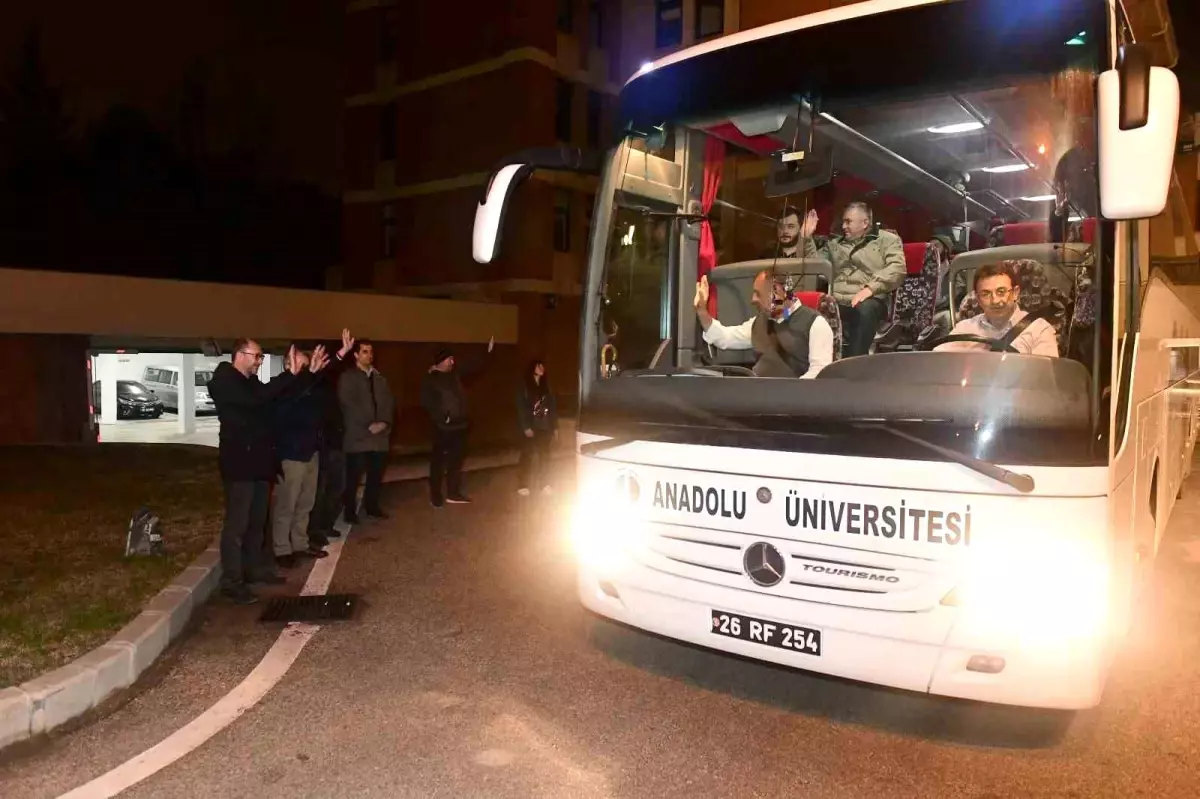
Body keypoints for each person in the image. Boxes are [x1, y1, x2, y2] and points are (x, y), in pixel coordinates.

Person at [208, 339, 330, 605]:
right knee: (237, 526)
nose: (259, 361)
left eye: (261, 357)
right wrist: (290, 374)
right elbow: (258, 399)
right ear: (239, 354)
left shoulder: (250, 382)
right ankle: (232, 581)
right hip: (239, 463)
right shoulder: (225, 380)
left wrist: (307, 374)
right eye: (257, 356)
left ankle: (254, 570)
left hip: (260, 462)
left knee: (256, 522)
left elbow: (279, 396)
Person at [271, 334, 354, 568]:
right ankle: (281, 549)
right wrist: (305, 375)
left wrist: (341, 354)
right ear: (288, 364)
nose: (307, 367)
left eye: (306, 364)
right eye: (300, 363)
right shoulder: (282, 387)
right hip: (291, 455)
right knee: (287, 505)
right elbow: (287, 407)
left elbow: (325, 373)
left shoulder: (310, 384)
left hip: (311, 452)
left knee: (305, 503)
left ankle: (299, 543)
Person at [800, 202, 906, 357]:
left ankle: (854, 365)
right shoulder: (834, 244)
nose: (843, 226)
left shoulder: (888, 240)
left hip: (872, 300)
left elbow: (897, 269)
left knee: (865, 309)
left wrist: (870, 288)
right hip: (838, 300)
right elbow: (815, 267)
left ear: (865, 223)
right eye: (843, 221)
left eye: (848, 221)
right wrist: (806, 239)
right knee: (809, 309)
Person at [693, 270, 833, 378]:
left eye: (758, 294)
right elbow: (725, 337)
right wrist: (702, 310)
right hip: (757, 398)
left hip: (794, 405)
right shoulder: (759, 322)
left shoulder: (816, 324)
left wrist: (785, 394)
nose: (753, 300)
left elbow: (819, 373)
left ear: (778, 292)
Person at [421, 337, 495, 507]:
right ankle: (435, 495)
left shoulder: (455, 375)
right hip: (442, 428)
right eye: (449, 359)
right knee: (438, 463)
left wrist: (488, 352)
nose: (452, 361)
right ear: (440, 360)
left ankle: (453, 493)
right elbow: (428, 402)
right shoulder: (431, 379)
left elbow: (475, 367)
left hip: (460, 426)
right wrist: (442, 418)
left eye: (453, 358)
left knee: (456, 461)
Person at [934, 262, 1059, 356]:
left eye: (1001, 292)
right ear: (978, 299)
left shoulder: (1039, 330)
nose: (994, 301)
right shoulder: (964, 328)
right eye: (985, 294)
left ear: (1015, 293)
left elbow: (1044, 379)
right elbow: (940, 363)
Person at [338, 340, 395, 524]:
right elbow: (348, 405)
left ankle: (372, 507)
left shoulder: (380, 379)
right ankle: (349, 512)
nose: (369, 355)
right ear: (355, 355)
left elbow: (389, 403)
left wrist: (384, 422)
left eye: (370, 352)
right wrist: (368, 424)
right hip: (358, 437)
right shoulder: (348, 377)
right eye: (364, 351)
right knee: (353, 478)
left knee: (375, 476)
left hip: (379, 438)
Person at [307, 331, 355, 546]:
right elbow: (322, 372)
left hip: (335, 441)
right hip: (320, 445)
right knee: (320, 490)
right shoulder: (309, 380)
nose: (323, 361)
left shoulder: (328, 380)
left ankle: (326, 524)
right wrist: (340, 355)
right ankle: (315, 530)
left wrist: (342, 354)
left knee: (338, 486)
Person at [515, 359, 558, 497]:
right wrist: (525, 426)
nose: (541, 368)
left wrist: (555, 426)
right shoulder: (525, 385)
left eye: (542, 366)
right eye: (538, 365)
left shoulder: (546, 385)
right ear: (532, 367)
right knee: (527, 454)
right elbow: (520, 406)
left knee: (545, 456)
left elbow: (552, 406)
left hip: (545, 425)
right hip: (531, 424)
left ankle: (544, 484)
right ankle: (523, 484)